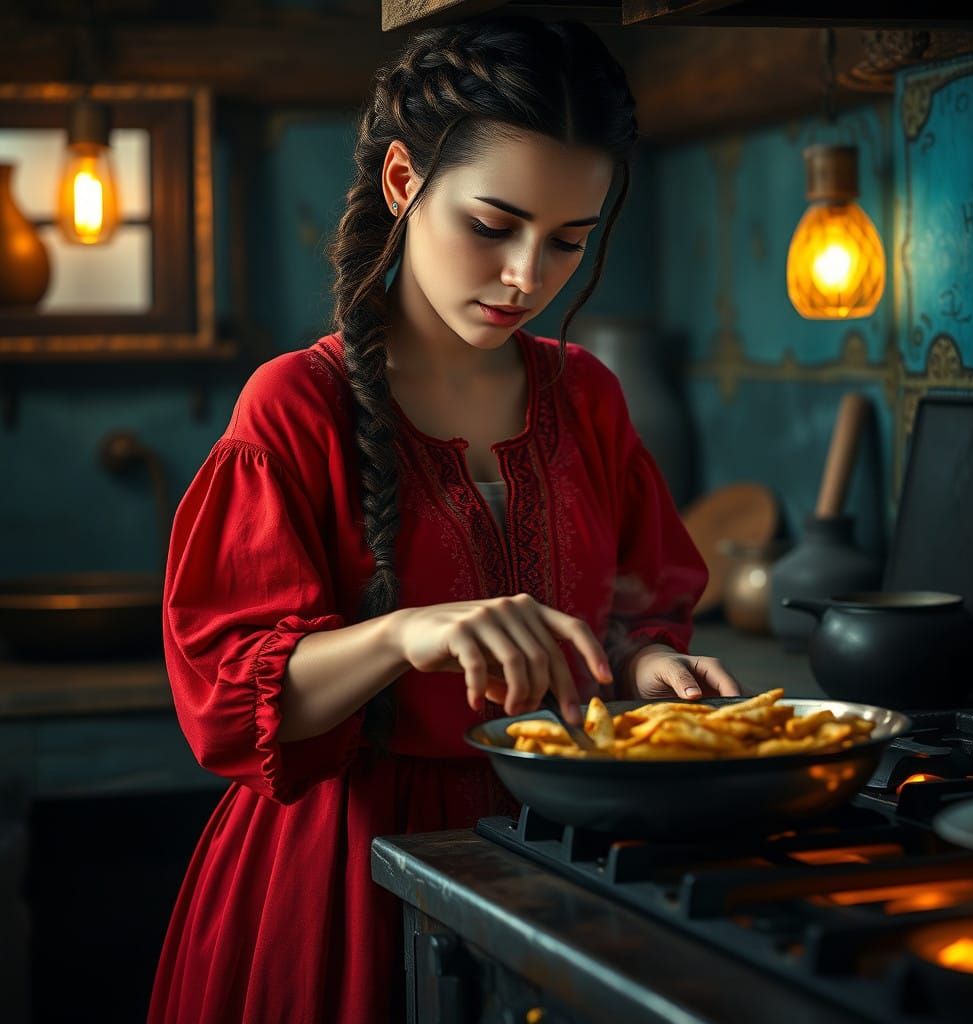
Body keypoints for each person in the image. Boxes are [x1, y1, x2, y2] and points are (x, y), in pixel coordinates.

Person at [147, 13, 741, 1024]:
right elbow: (232, 703)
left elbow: (636, 605)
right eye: (492, 224)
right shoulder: (295, 406)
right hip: (345, 876)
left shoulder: (586, 396)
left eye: (566, 242)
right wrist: (405, 632)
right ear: (400, 183)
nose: (525, 277)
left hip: (562, 855)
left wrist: (644, 668)